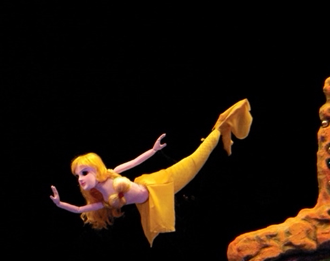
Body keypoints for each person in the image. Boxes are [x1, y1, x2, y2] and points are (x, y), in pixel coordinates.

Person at [50, 99, 251, 246]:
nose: (80, 179)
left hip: (158, 183)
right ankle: (220, 129)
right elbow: (79, 209)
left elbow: (135, 161)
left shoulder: (112, 174)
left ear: (96, 169)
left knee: (194, 161)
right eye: (78, 176)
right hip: (151, 203)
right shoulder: (102, 201)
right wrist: (60, 204)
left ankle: (221, 126)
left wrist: (153, 150)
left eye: (84, 172)